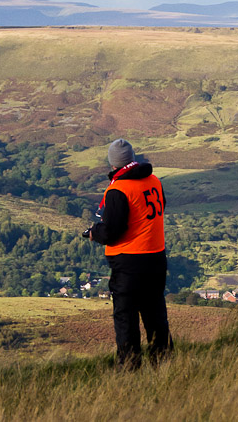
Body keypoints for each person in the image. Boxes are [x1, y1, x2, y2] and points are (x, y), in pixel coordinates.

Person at [87, 138, 173, 368]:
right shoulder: (153, 180)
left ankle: (129, 368)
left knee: (126, 317)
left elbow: (111, 231)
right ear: (133, 159)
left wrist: (94, 232)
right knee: (155, 314)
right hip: (156, 257)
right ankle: (163, 363)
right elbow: (159, 207)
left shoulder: (118, 189)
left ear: (113, 163)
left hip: (128, 262)